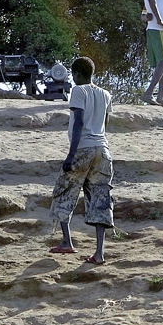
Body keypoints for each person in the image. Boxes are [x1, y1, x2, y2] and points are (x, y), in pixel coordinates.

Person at [50, 56, 115, 263]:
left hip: (83, 149)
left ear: (76, 74)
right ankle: (99, 253)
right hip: (103, 151)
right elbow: (104, 124)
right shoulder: (105, 94)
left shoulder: (78, 91)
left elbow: (78, 123)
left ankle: (67, 242)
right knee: (100, 199)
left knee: (64, 192)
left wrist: (71, 155)